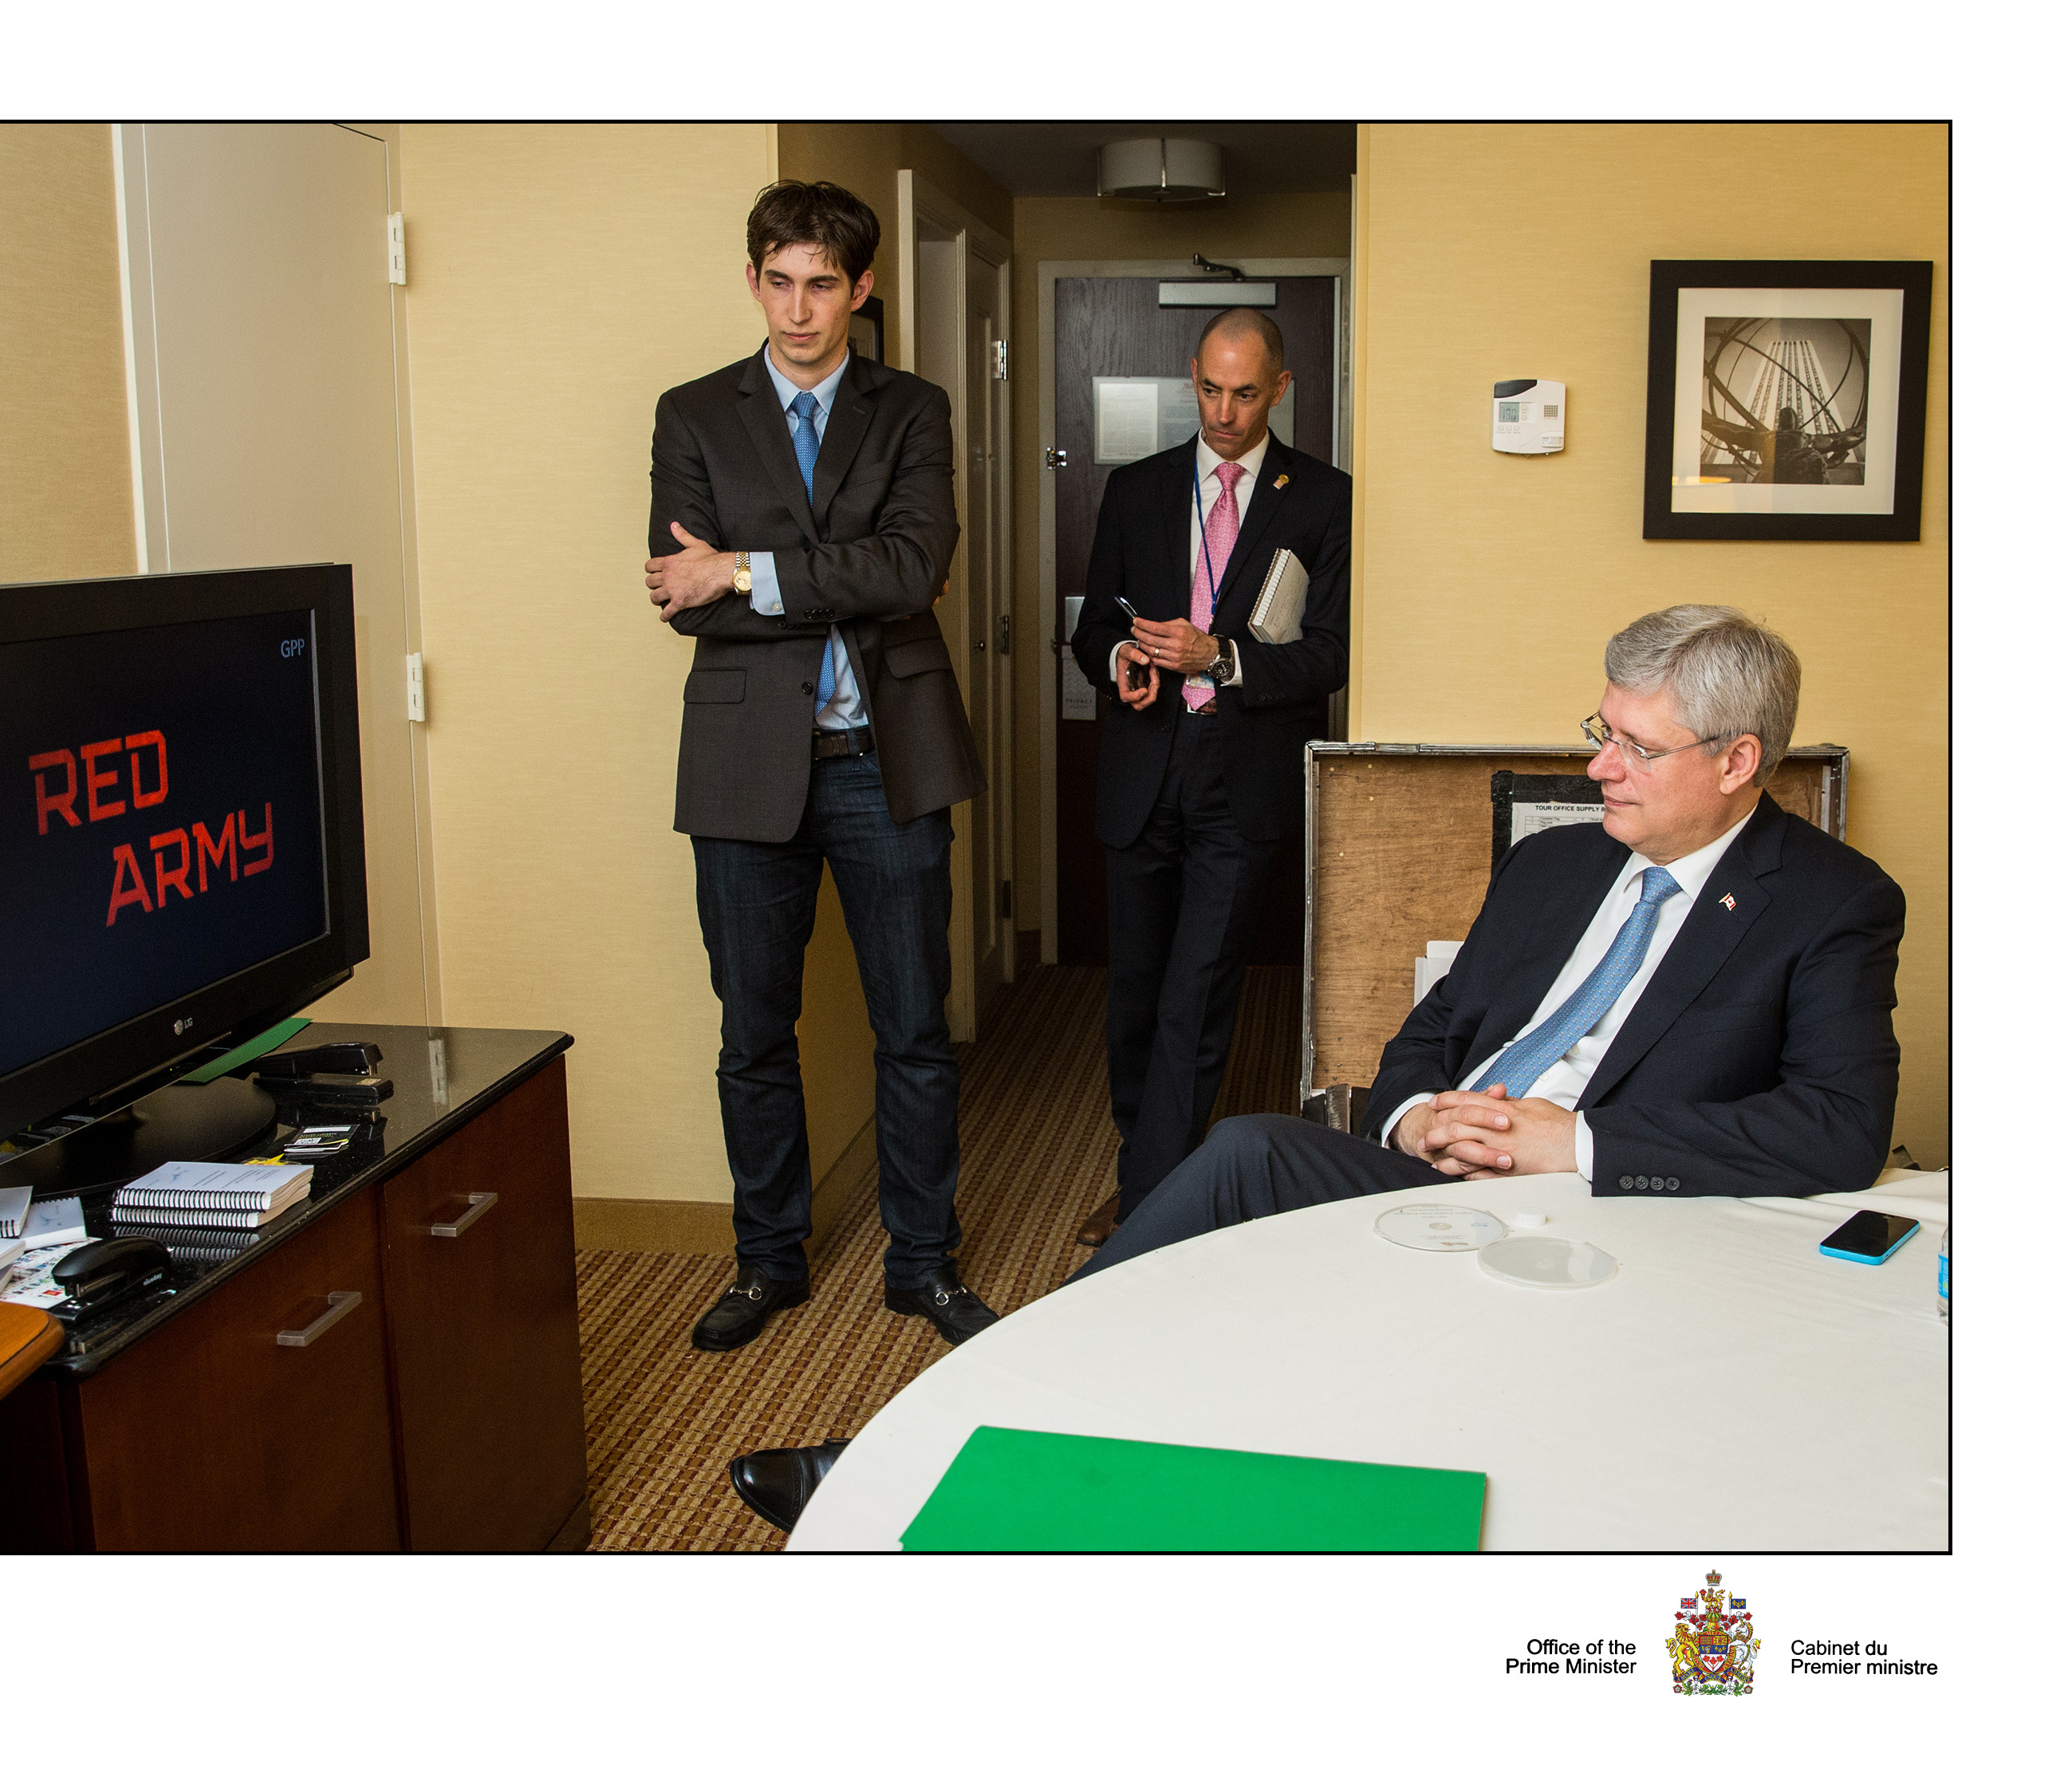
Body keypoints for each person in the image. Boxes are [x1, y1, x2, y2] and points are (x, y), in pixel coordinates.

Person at [1077, 604, 1905, 1278]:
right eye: (1602, 732)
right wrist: (1414, 1119)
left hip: (1606, 1213)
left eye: (1638, 749)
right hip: (1441, 1175)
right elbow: (1433, 1030)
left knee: (1253, 1201)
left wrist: (1576, 1142)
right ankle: (1044, 1361)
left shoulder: (1831, 902)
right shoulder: (1553, 863)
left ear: (1737, 763)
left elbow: (1840, 1126)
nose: (1599, 770)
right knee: (1248, 1157)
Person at [643, 179, 994, 1353]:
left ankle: (924, 1264)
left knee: (914, 1029)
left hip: (881, 757)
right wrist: (791, 575)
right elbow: (679, 604)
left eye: (824, 285)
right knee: (753, 1031)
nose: (800, 309)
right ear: (754, 281)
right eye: (780, 282)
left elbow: (911, 570)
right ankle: (767, 1260)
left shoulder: (914, 410)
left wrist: (744, 568)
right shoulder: (693, 414)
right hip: (746, 767)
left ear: (862, 288)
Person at [1066, 308, 1352, 1246]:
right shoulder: (1137, 489)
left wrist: (1219, 655)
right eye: (1210, 389)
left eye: (1245, 392)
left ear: (1281, 387)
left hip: (1243, 777)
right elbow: (1092, 630)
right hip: (1144, 768)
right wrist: (1123, 663)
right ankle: (1145, 1162)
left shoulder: (1322, 498)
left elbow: (1329, 655)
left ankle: (1152, 1204)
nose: (1224, 412)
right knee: (1139, 993)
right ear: (1193, 374)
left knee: (1197, 993)